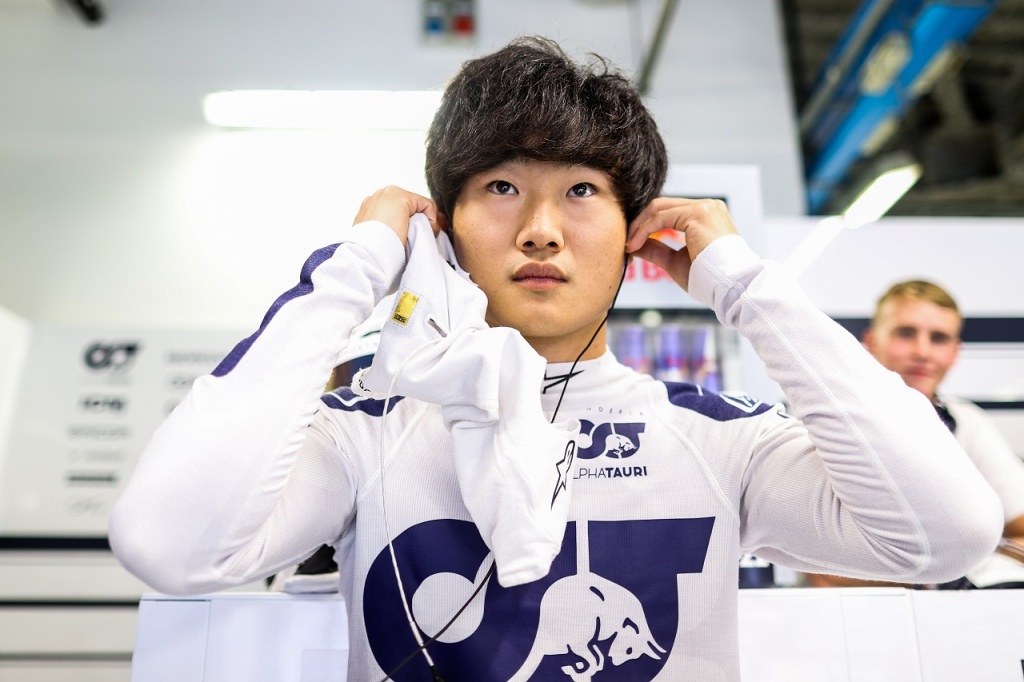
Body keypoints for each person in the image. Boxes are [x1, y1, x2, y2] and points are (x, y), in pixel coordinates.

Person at [108, 38, 1002, 681]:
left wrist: (745, 286)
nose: (540, 229)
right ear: (443, 230)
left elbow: (949, 533)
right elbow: (168, 545)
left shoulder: (718, 438)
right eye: (501, 187)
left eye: (581, 190)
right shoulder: (366, 432)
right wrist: (359, 269)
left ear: (636, 233)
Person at [806, 279, 1024, 589]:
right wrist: (948, 571)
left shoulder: (967, 421)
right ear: (871, 342)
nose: (923, 352)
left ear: (955, 352)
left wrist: (955, 572)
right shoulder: (827, 423)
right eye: (906, 333)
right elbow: (823, 569)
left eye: (939, 338)